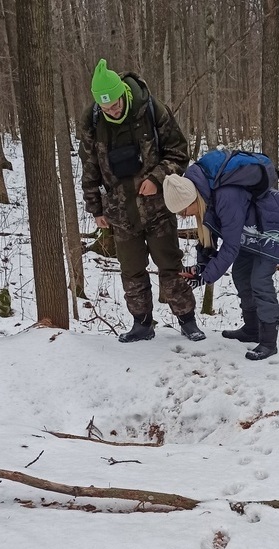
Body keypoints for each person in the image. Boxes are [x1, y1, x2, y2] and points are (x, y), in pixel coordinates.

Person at [78, 59, 205, 343]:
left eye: (116, 104)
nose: (113, 110)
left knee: (170, 265)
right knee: (131, 272)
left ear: (123, 91)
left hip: (158, 208)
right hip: (120, 213)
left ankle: (187, 320)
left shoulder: (150, 109)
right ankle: (142, 324)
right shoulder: (92, 123)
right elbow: (88, 168)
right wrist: (95, 208)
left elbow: (178, 152)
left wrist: (158, 178)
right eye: (106, 107)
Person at [162, 162, 279, 360]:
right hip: (252, 228)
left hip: (278, 223)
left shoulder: (225, 197)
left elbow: (230, 247)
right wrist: (201, 268)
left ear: (192, 199)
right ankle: (252, 329)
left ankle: (269, 342)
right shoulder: (206, 196)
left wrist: (205, 277)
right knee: (240, 274)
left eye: (184, 211)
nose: (184, 216)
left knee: (260, 280)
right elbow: (209, 239)